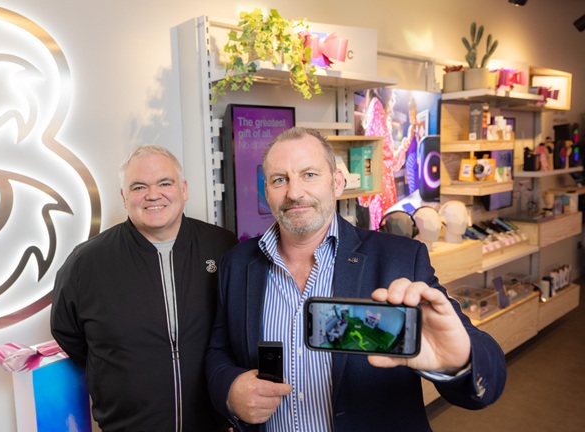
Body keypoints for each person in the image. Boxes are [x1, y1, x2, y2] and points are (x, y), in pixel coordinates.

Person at [205, 127, 506, 431]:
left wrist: (457, 361)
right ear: (266, 191)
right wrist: (230, 391)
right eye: (280, 179)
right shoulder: (238, 263)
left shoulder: (399, 259)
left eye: (309, 175)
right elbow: (219, 350)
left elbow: (485, 376)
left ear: (337, 183)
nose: (294, 192)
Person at [51, 145, 238, 432]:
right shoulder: (87, 262)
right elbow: (68, 333)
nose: (153, 195)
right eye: (139, 187)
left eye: (165, 183)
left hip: (213, 424)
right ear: (124, 197)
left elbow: (238, 328)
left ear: (184, 189)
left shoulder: (223, 247)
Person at [358, 88, 412, 230]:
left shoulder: (376, 106)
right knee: (384, 227)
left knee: (384, 226)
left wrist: (403, 148)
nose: (393, 92)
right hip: (381, 184)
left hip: (382, 183)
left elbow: (389, 161)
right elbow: (382, 154)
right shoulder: (377, 106)